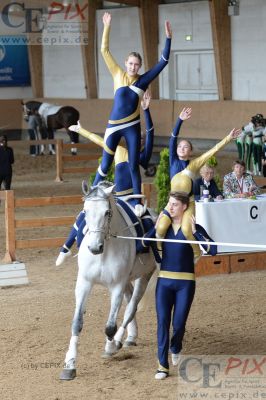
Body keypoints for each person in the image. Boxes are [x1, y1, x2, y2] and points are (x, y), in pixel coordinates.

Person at [56, 91, 158, 266]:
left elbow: (150, 132)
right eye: (138, 138)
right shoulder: (119, 151)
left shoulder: (142, 156)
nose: (140, 140)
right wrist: (82, 130)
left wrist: (146, 111)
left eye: (142, 139)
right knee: (83, 216)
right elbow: (101, 141)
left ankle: (154, 257)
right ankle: (67, 248)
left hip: (133, 199)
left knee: (148, 221)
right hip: (117, 197)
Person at [93, 12, 172, 217]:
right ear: (126, 63)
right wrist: (107, 27)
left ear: (140, 66)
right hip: (113, 125)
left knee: (133, 164)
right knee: (104, 164)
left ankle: (137, 202)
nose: (133, 67)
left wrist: (168, 39)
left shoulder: (143, 80)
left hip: (132, 127)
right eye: (130, 63)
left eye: (136, 64)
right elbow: (104, 50)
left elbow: (163, 61)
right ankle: (92, 193)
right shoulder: (118, 74)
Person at [144, 191, 217, 380]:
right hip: (164, 282)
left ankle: (176, 346)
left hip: (186, 283)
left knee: (178, 324)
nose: (170, 207)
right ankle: (162, 366)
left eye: (174, 204)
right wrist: (154, 226)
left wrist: (197, 233)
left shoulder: (193, 228)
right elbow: (142, 244)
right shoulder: (164, 228)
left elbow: (214, 250)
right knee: (162, 323)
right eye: (169, 203)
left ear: (184, 206)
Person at [156, 106, 240, 259]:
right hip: (173, 202)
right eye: (180, 146)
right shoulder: (173, 161)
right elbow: (173, 138)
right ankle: (161, 255)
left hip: (188, 203)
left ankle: (197, 252)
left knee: (188, 231)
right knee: (160, 229)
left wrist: (228, 138)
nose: (182, 148)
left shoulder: (194, 165)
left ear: (190, 151)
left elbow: (212, 151)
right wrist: (180, 120)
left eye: (185, 147)